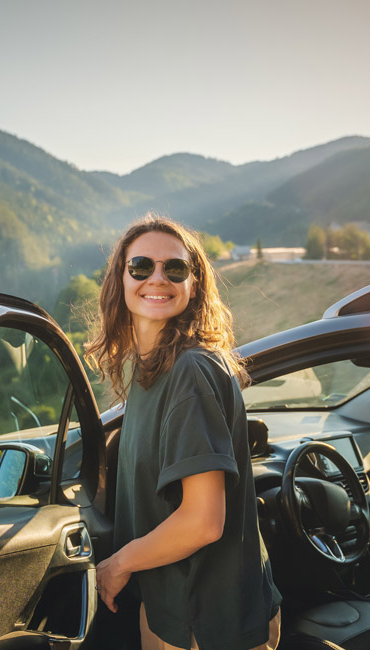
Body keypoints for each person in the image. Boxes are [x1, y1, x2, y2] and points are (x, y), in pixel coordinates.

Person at [86, 215, 281, 650]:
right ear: (121, 277)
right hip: (174, 609)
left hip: (207, 624)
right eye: (141, 267)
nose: (158, 278)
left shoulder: (190, 370)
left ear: (194, 284)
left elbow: (203, 522)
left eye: (175, 269)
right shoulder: (148, 369)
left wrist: (117, 565)